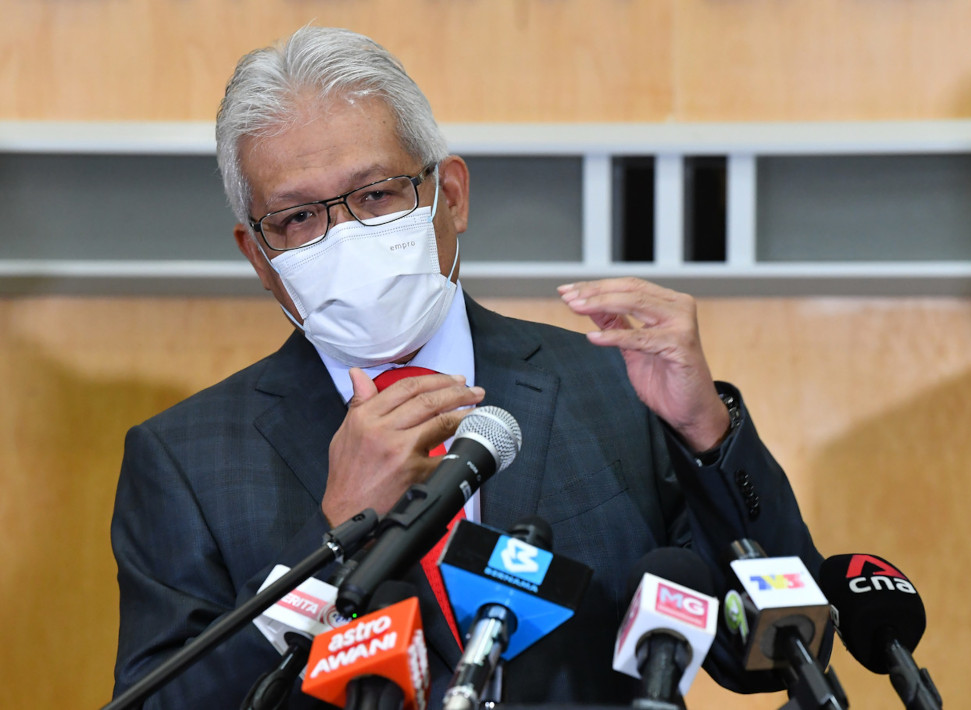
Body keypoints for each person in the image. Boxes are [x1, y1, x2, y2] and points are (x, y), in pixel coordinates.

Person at [111, 25, 827, 708]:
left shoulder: (613, 388)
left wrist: (705, 430)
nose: (346, 237)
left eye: (375, 195)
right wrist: (328, 543)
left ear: (449, 196)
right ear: (258, 255)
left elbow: (771, 654)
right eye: (299, 218)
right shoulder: (182, 461)